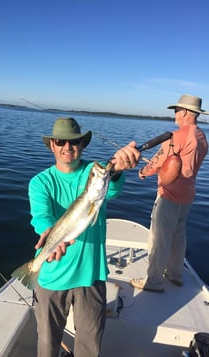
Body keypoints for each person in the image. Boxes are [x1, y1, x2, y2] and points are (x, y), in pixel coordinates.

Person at [28, 117, 141, 357]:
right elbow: (41, 216)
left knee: (89, 348)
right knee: (47, 348)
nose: (67, 147)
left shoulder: (94, 171)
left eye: (74, 142)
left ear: (82, 145)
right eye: (61, 142)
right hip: (52, 275)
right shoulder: (40, 182)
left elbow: (110, 187)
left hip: (90, 276)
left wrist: (117, 170)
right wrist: (48, 232)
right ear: (52, 145)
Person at [130, 94, 208, 293]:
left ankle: (154, 281)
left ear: (183, 112)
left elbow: (158, 160)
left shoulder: (177, 137)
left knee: (159, 238)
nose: (175, 114)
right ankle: (175, 275)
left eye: (176, 111)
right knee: (179, 236)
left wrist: (143, 171)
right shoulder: (201, 137)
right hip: (188, 196)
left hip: (169, 196)